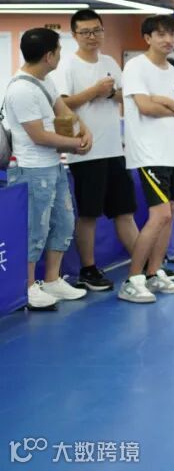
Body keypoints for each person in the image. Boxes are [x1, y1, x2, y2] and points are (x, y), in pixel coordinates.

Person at [49, 10, 139, 292]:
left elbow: (125, 96)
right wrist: (94, 91)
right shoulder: (67, 66)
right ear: (74, 35)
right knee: (89, 214)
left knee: (125, 211)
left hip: (114, 151)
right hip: (85, 152)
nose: (92, 36)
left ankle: (144, 266)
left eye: (97, 30)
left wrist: (110, 93)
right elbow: (61, 105)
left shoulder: (110, 62)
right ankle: (88, 270)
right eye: (85, 32)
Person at [2, 28, 92, 310]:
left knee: (63, 222)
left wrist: (83, 130)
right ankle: (28, 286)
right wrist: (75, 144)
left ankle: (52, 280)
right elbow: (38, 136)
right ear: (49, 56)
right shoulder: (21, 90)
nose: (61, 55)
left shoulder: (45, 80)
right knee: (35, 229)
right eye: (59, 50)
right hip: (31, 171)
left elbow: (62, 109)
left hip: (54, 167)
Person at [119, 15, 174, 303]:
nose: (168, 40)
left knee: (170, 212)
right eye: (161, 34)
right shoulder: (136, 67)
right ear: (148, 38)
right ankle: (132, 279)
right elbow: (145, 107)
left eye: (172, 34)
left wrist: (164, 101)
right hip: (149, 153)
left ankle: (154, 272)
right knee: (160, 214)